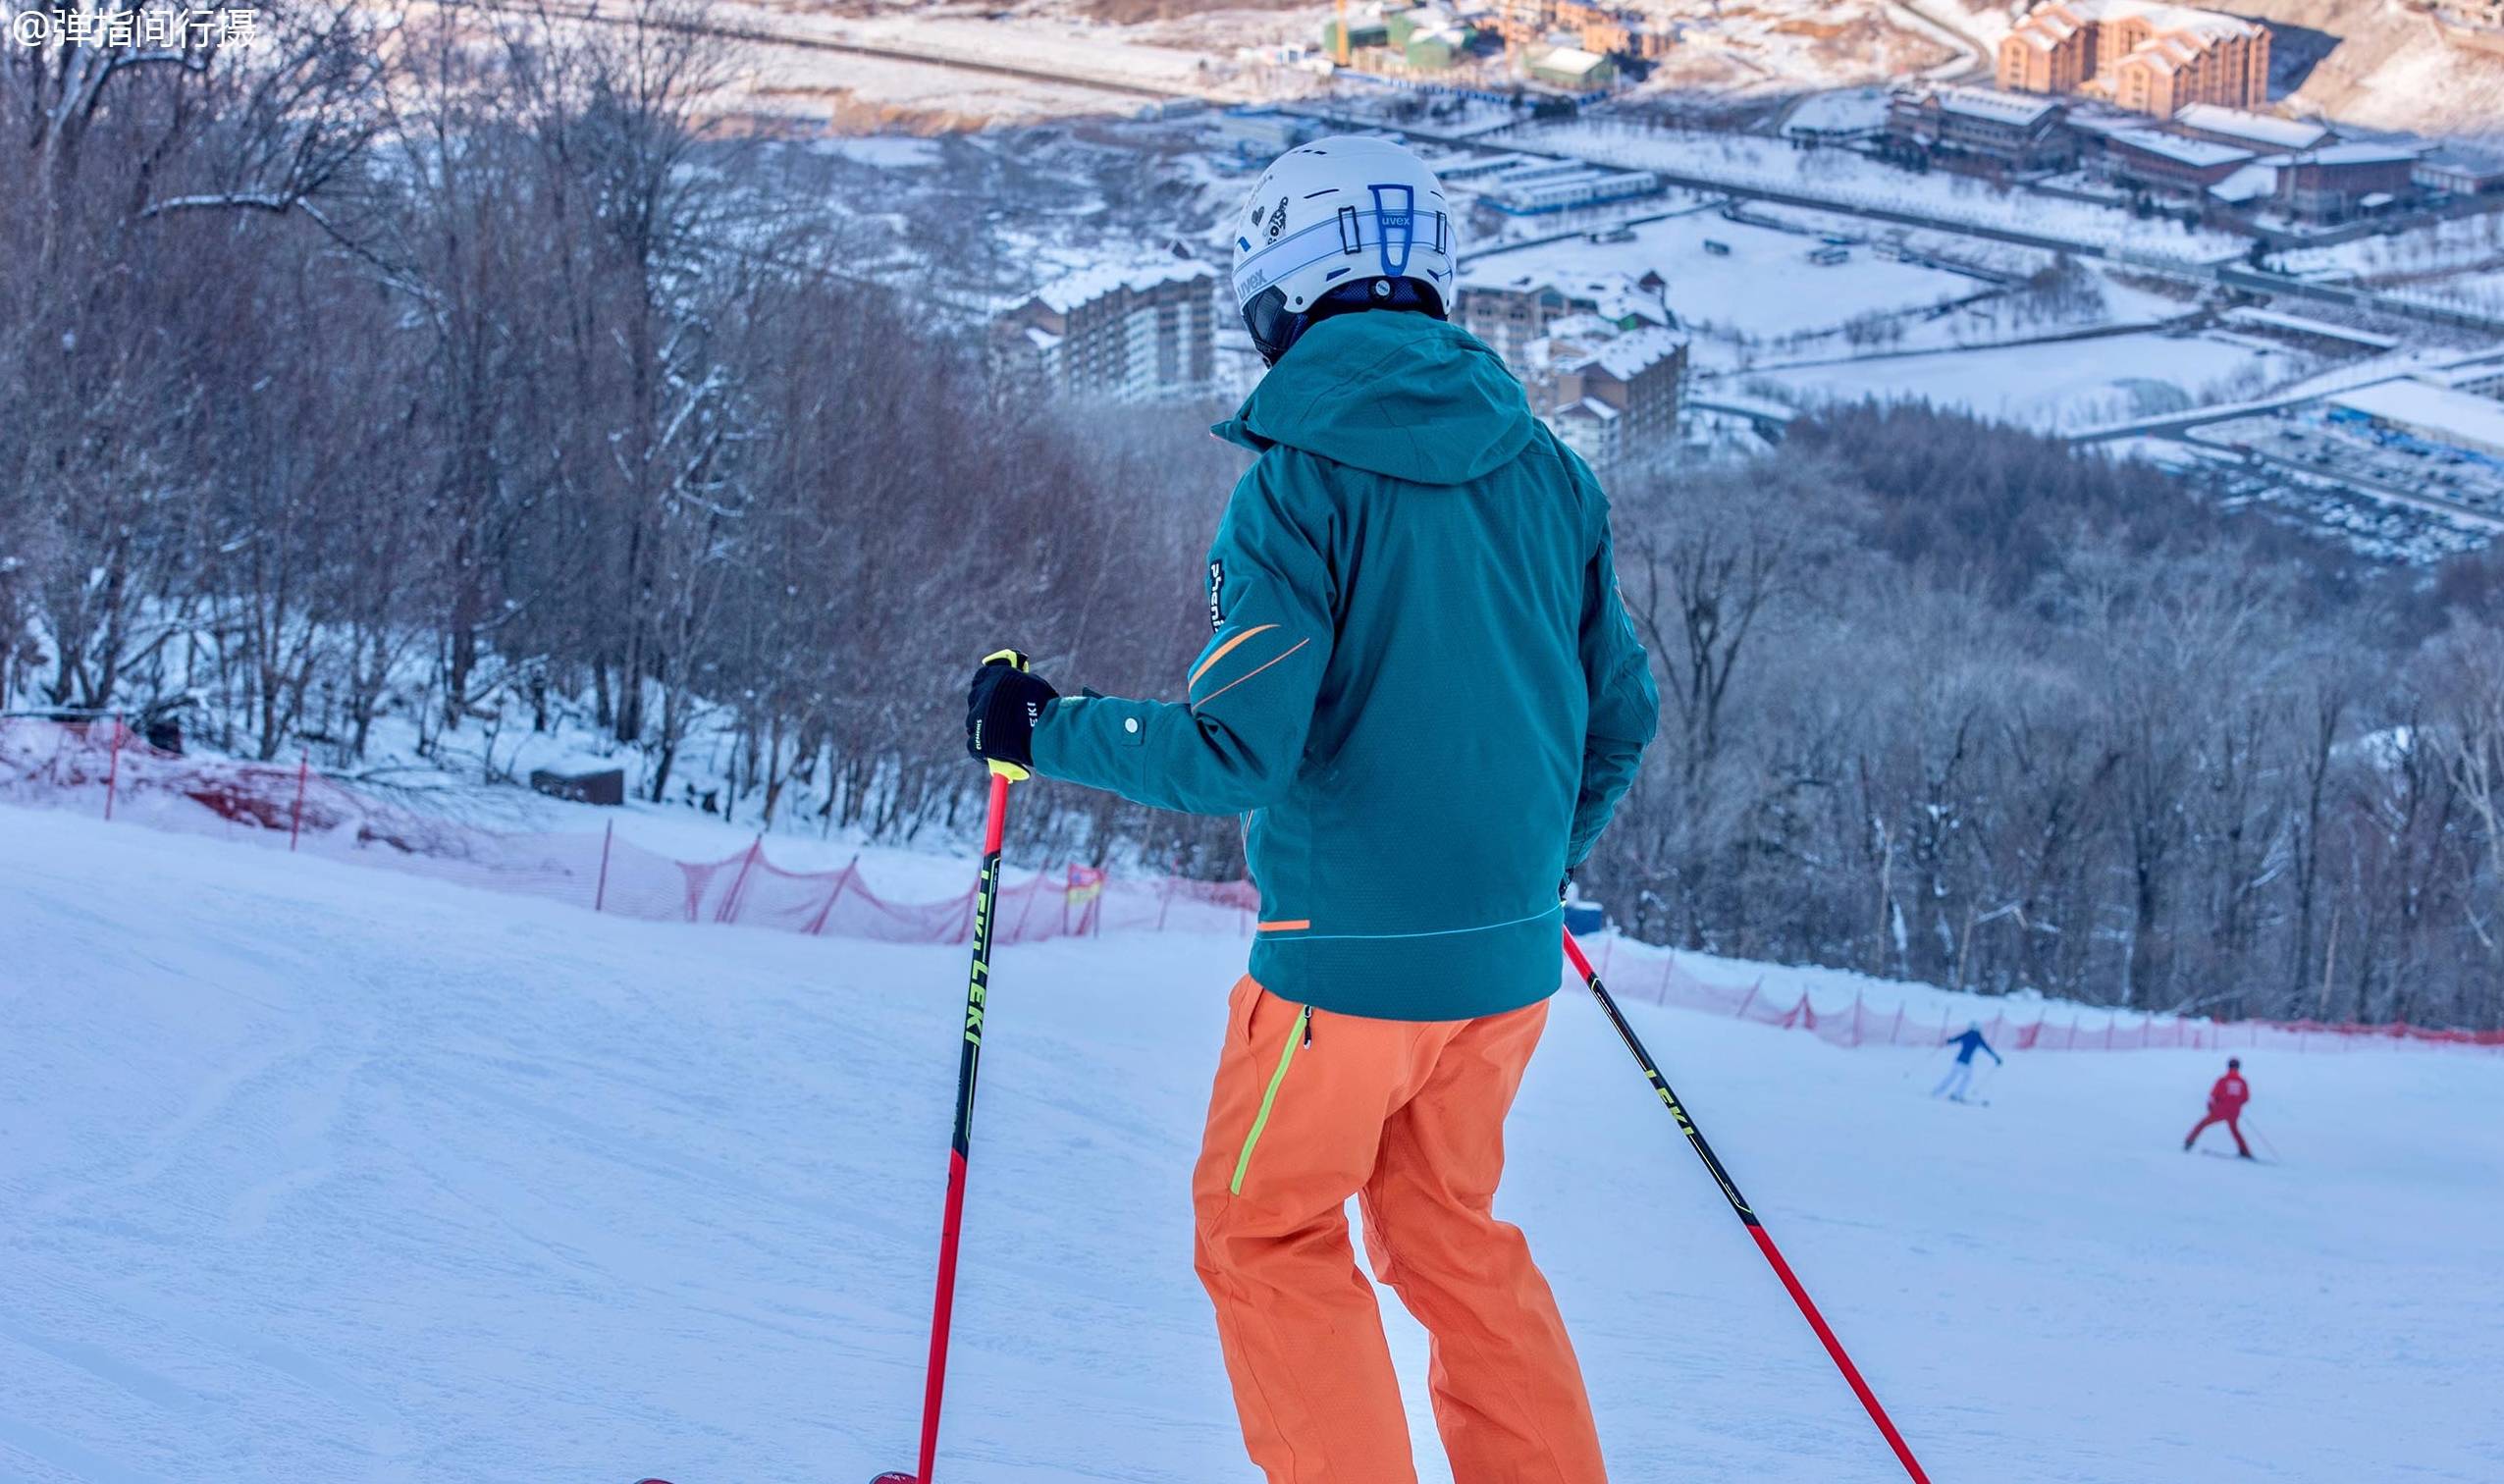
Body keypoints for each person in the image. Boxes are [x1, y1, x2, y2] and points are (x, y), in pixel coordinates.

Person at [966, 135, 1658, 1484]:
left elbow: (1238, 750)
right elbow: (1617, 716)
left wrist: (1043, 727)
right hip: (1505, 968)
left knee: (1262, 1231)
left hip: (1338, 972)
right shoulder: (1549, 474)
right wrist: (1521, 863)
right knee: (1446, 1234)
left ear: (1280, 292)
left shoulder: (1293, 484)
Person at [2185, 1057, 2254, 1158]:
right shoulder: (2242, 1082)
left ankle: (2189, 1142)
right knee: (2235, 1130)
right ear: (2239, 1068)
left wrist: (2212, 1106)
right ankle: (2245, 1151)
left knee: (2202, 1124)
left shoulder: (2223, 1080)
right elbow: (2246, 1098)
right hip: (2235, 1111)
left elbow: (2213, 1095)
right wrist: (2236, 1104)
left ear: (2228, 1067)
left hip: (2221, 1109)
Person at [1932, 1021, 2001, 1102]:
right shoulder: (1978, 1037)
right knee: (1967, 1078)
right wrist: (1996, 1058)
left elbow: (1955, 1039)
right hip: (1966, 1062)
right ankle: (1957, 1094)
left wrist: (1948, 1041)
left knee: (1951, 1077)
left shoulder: (1966, 1034)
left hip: (1958, 1060)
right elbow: (1987, 1048)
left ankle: (1937, 1091)